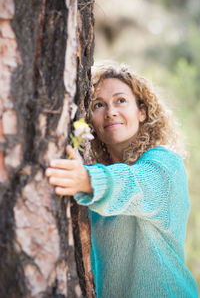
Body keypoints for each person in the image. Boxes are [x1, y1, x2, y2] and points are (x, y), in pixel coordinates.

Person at [45, 62, 199, 298]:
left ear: (142, 112)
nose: (111, 111)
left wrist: (86, 179)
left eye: (121, 101)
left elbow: (134, 185)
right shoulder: (92, 186)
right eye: (99, 105)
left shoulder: (166, 165)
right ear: (91, 122)